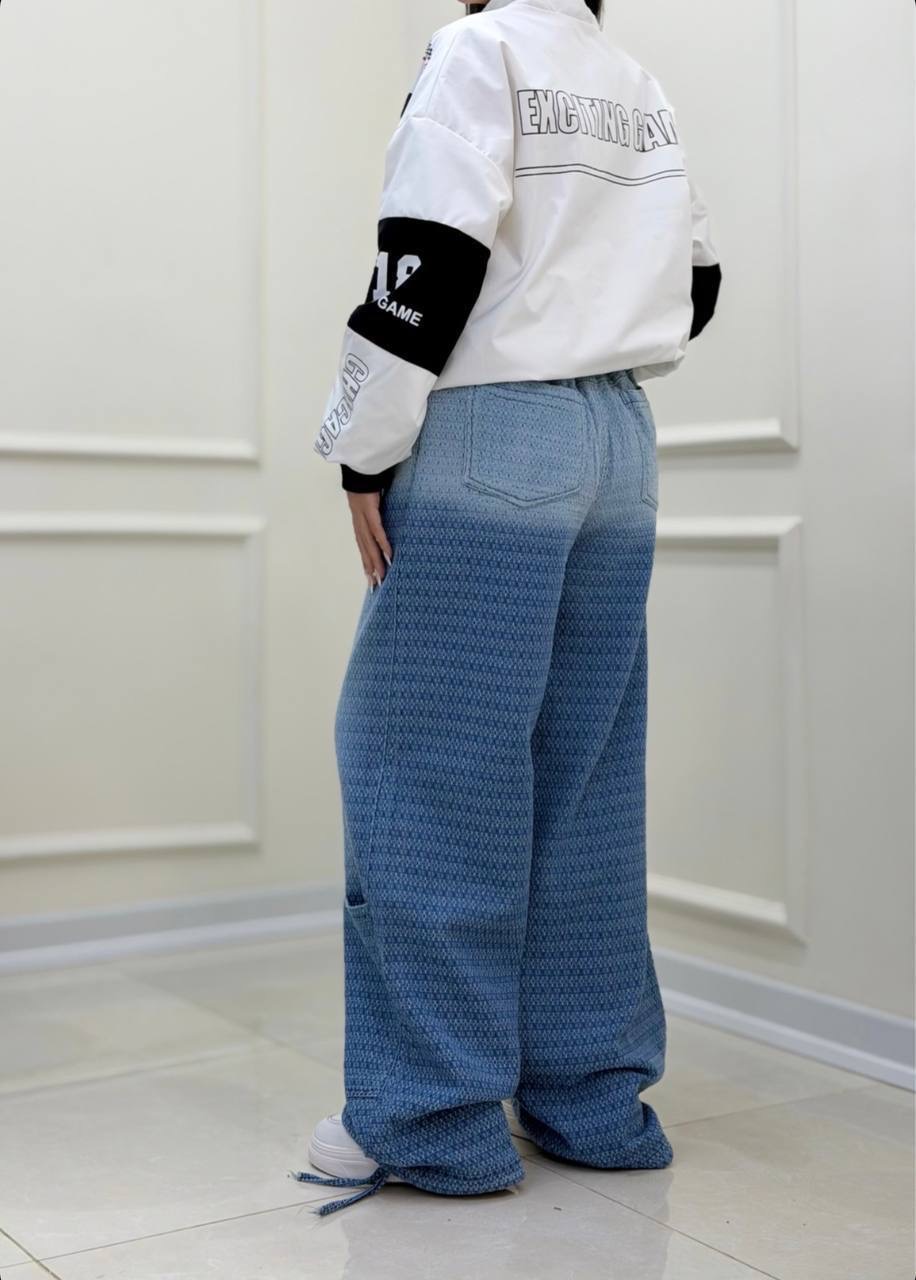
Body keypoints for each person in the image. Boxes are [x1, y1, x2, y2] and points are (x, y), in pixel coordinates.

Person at [295, 0, 721, 1215]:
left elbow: (426, 259)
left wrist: (363, 446)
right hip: (618, 444)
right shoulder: (632, 80)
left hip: (495, 431)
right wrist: (589, 323)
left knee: (422, 771)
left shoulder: (477, 50)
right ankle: (589, 1101)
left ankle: (430, 1116)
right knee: (581, 779)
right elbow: (697, 283)